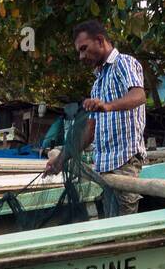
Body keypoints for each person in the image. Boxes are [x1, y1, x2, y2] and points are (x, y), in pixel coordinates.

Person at [45, 20, 146, 216]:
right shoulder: (98, 83)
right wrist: (60, 160)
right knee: (110, 224)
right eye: (79, 52)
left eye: (84, 48)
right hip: (106, 168)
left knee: (123, 228)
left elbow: (139, 95)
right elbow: (88, 132)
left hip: (125, 163)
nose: (82, 56)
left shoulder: (123, 63)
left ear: (100, 41)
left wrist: (107, 106)